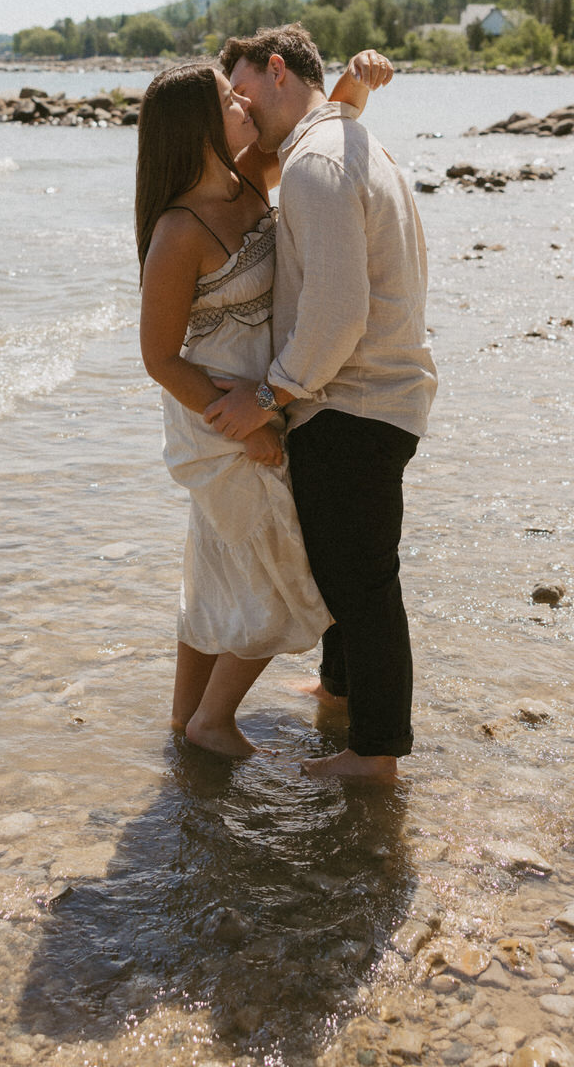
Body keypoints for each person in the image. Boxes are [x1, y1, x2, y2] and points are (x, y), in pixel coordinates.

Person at [136, 52, 391, 759]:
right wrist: (245, 427)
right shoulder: (178, 231)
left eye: (241, 94)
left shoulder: (249, 179)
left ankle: (185, 716)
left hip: (260, 403)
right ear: (196, 127)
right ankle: (214, 723)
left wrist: (359, 77)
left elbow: (323, 126)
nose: (245, 103)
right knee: (282, 577)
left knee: (219, 566)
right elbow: (159, 359)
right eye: (229, 100)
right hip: (219, 418)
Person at [205, 25, 437, 782]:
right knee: (342, 570)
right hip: (374, 393)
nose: (238, 107)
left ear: (276, 71)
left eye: (241, 90)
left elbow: (338, 312)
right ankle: (341, 691)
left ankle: (374, 753)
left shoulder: (315, 163)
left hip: (354, 399)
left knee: (363, 582)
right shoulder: (342, 142)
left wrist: (268, 392)